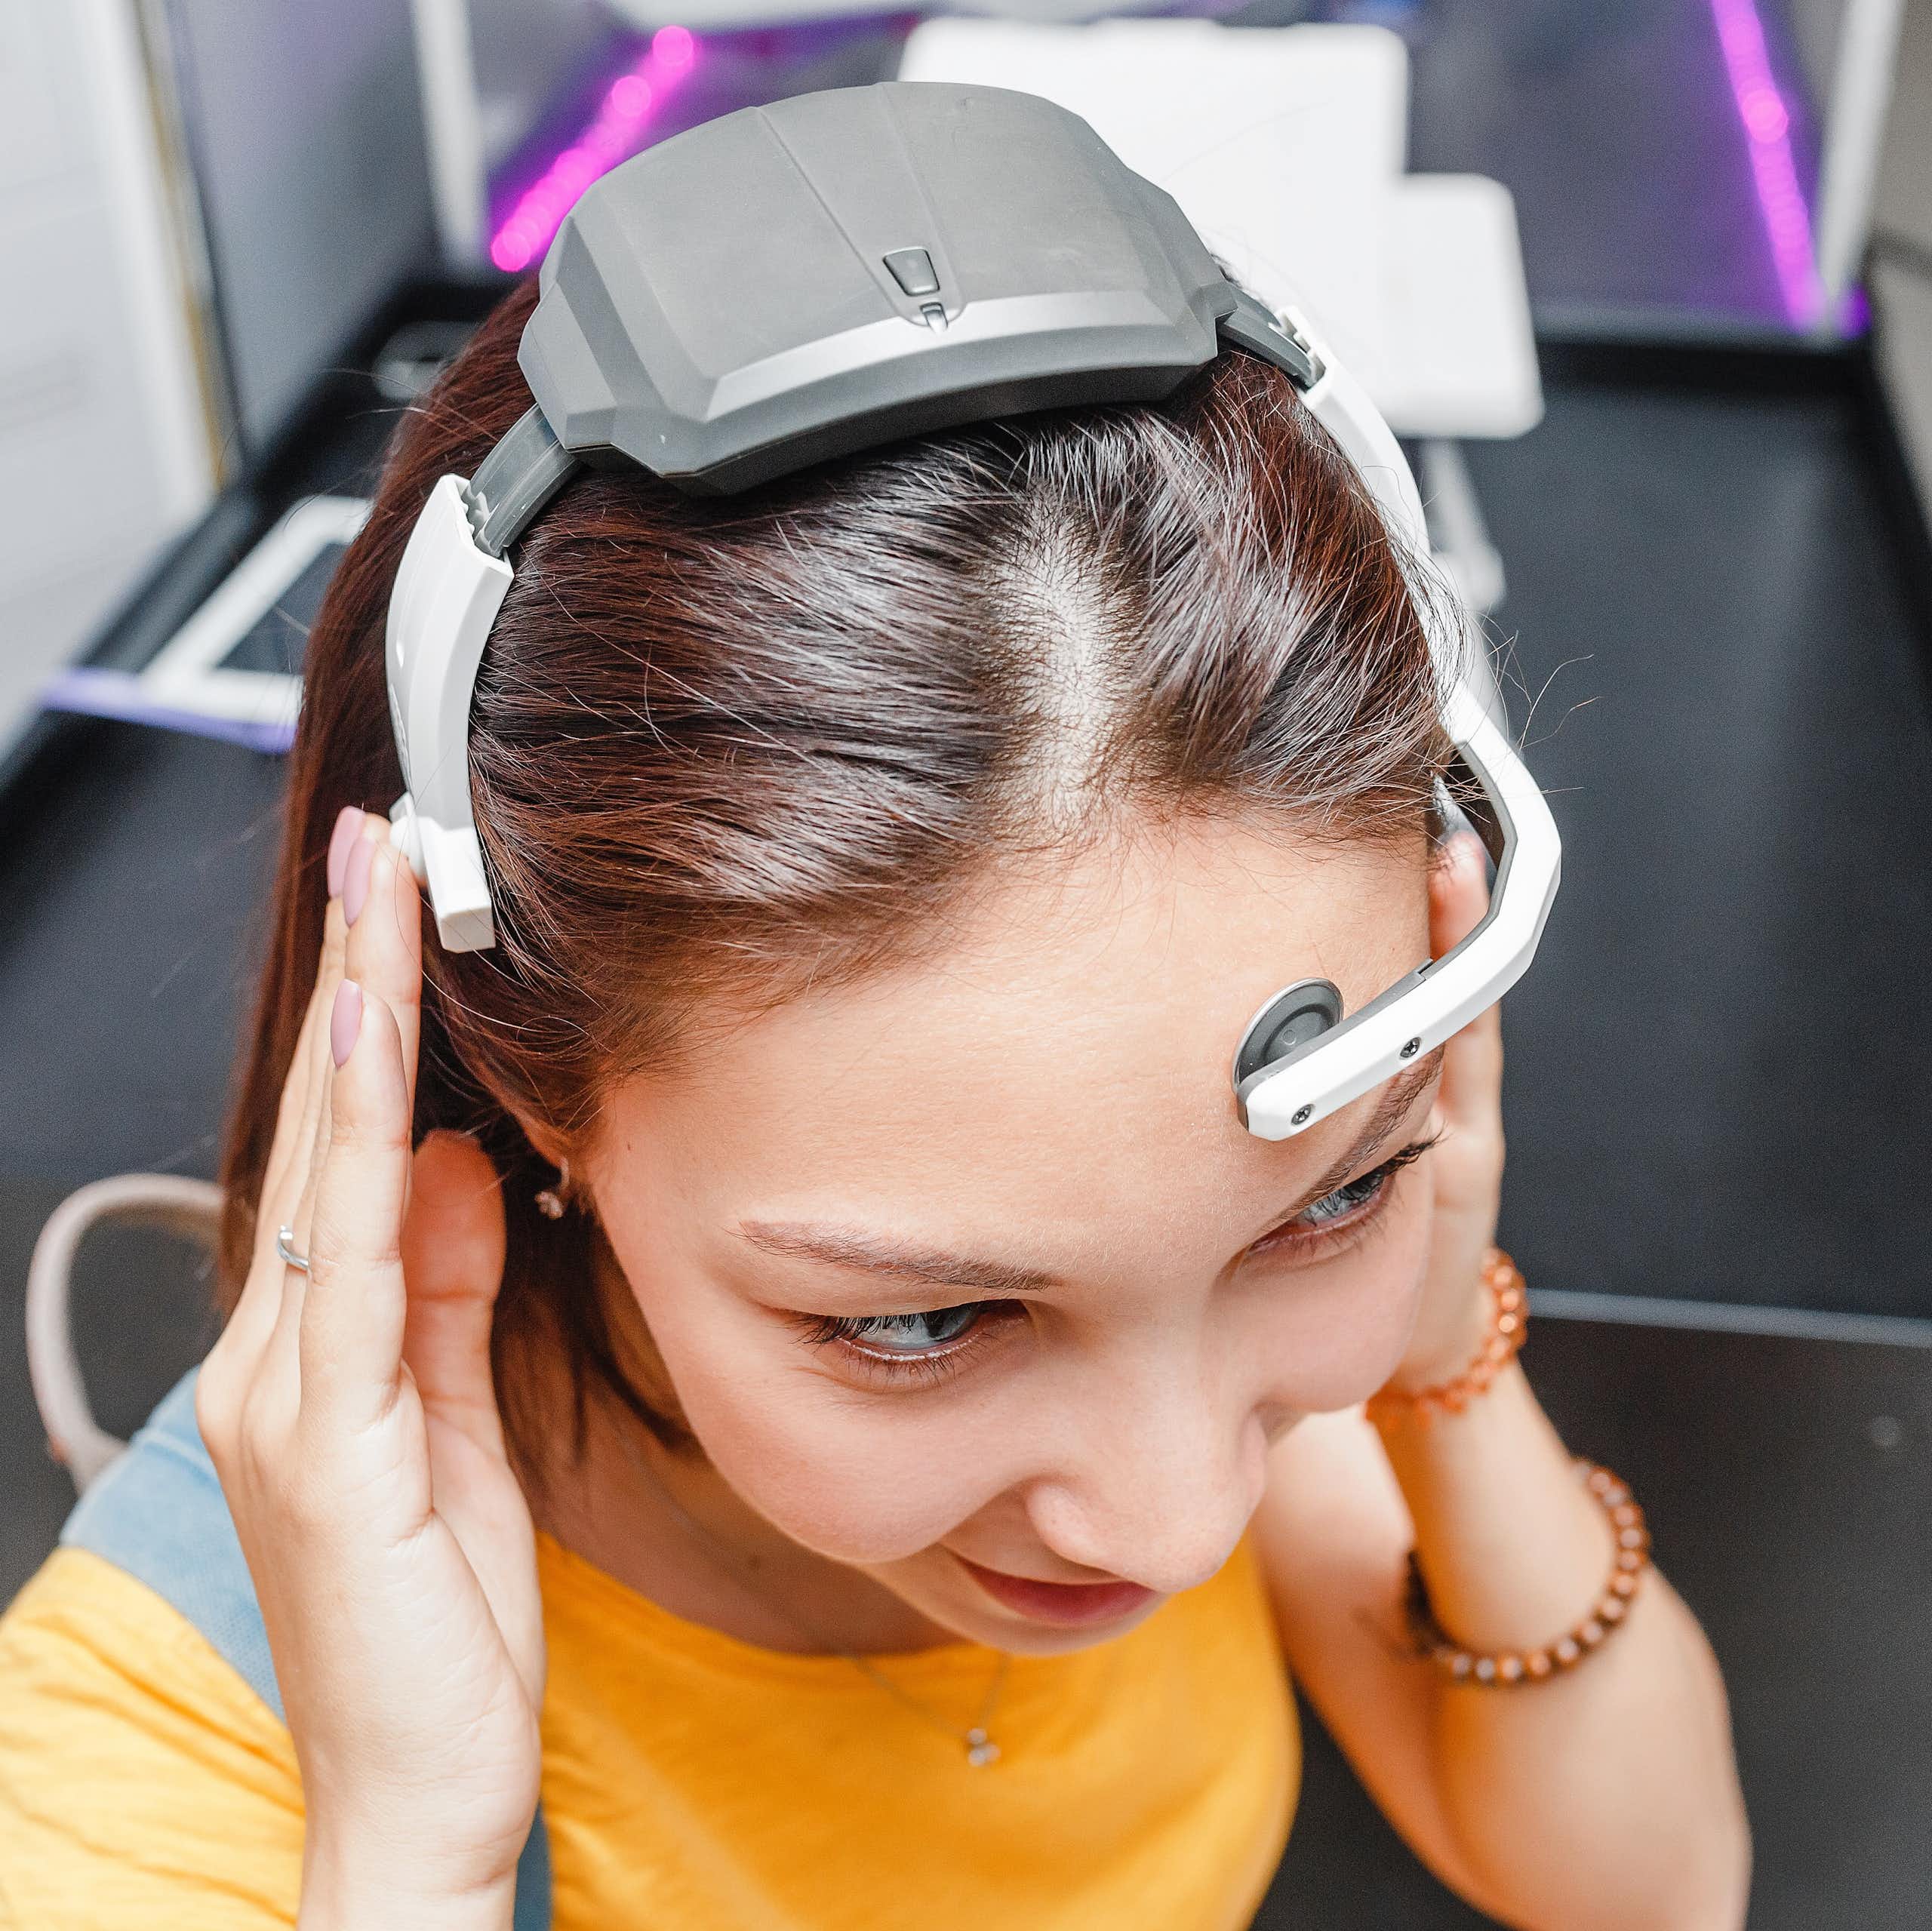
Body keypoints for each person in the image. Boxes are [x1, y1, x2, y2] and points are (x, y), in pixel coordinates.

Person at [0, 244, 1748, 1926]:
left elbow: (1650, 1894)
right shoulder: (127, 1765)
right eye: (923, 1322)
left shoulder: (1199, 1322)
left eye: (1326, 1196)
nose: (1181, 1520)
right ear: (529, 1079)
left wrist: (1433, 1347)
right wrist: (408, 1861)